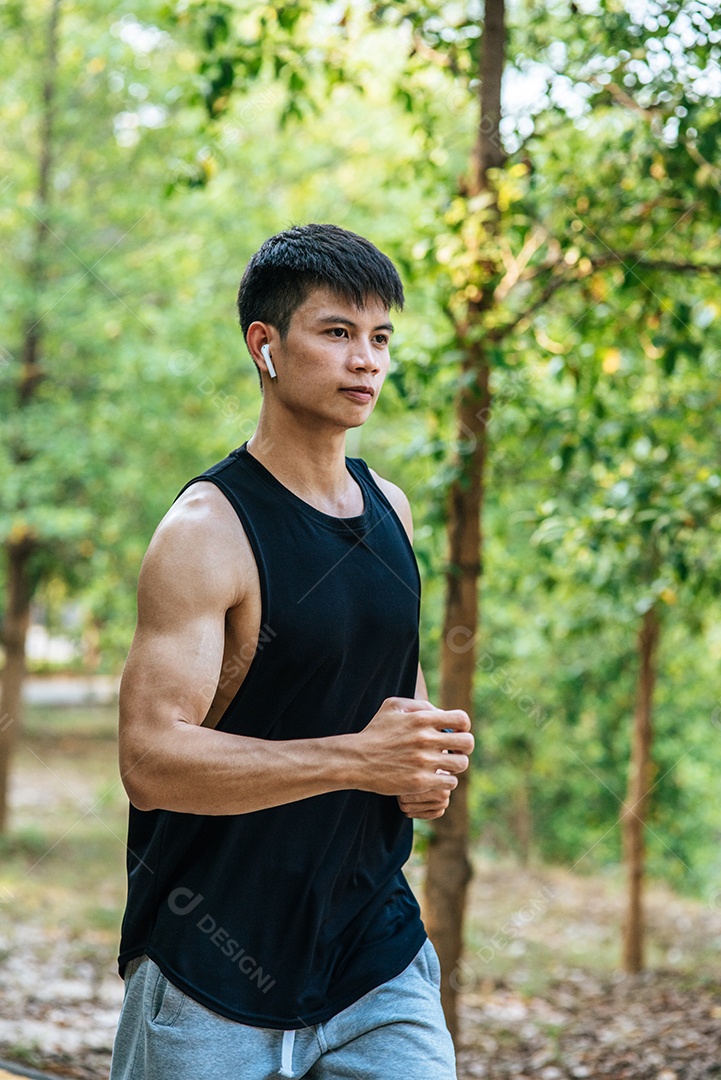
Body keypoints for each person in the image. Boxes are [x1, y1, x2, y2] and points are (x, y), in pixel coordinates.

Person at [110, 223, 474, 1080]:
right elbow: (151, 761)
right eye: (337, 332)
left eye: (380, 337)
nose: (367, 361)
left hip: (373, 957)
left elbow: (390, 689)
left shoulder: (392, 508)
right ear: (264, 347)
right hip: (212, 968)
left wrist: (424, 759)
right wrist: (356, 760)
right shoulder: (206, 531)